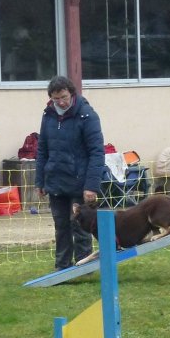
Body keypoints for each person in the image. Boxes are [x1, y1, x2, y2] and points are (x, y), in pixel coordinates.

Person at [35, 76, 105, 271]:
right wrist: (40, 180)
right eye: (56, 99)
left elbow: (97, 152)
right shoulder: (48, 115)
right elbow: (42, 150)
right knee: (61, 226)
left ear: (71, 94)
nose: (61, 102)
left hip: (79, 183)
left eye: (64, 97)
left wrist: (91, 186)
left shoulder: (87, 115)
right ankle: (62, 266)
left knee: (80, 227)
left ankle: (84, 266)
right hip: (55, 181)